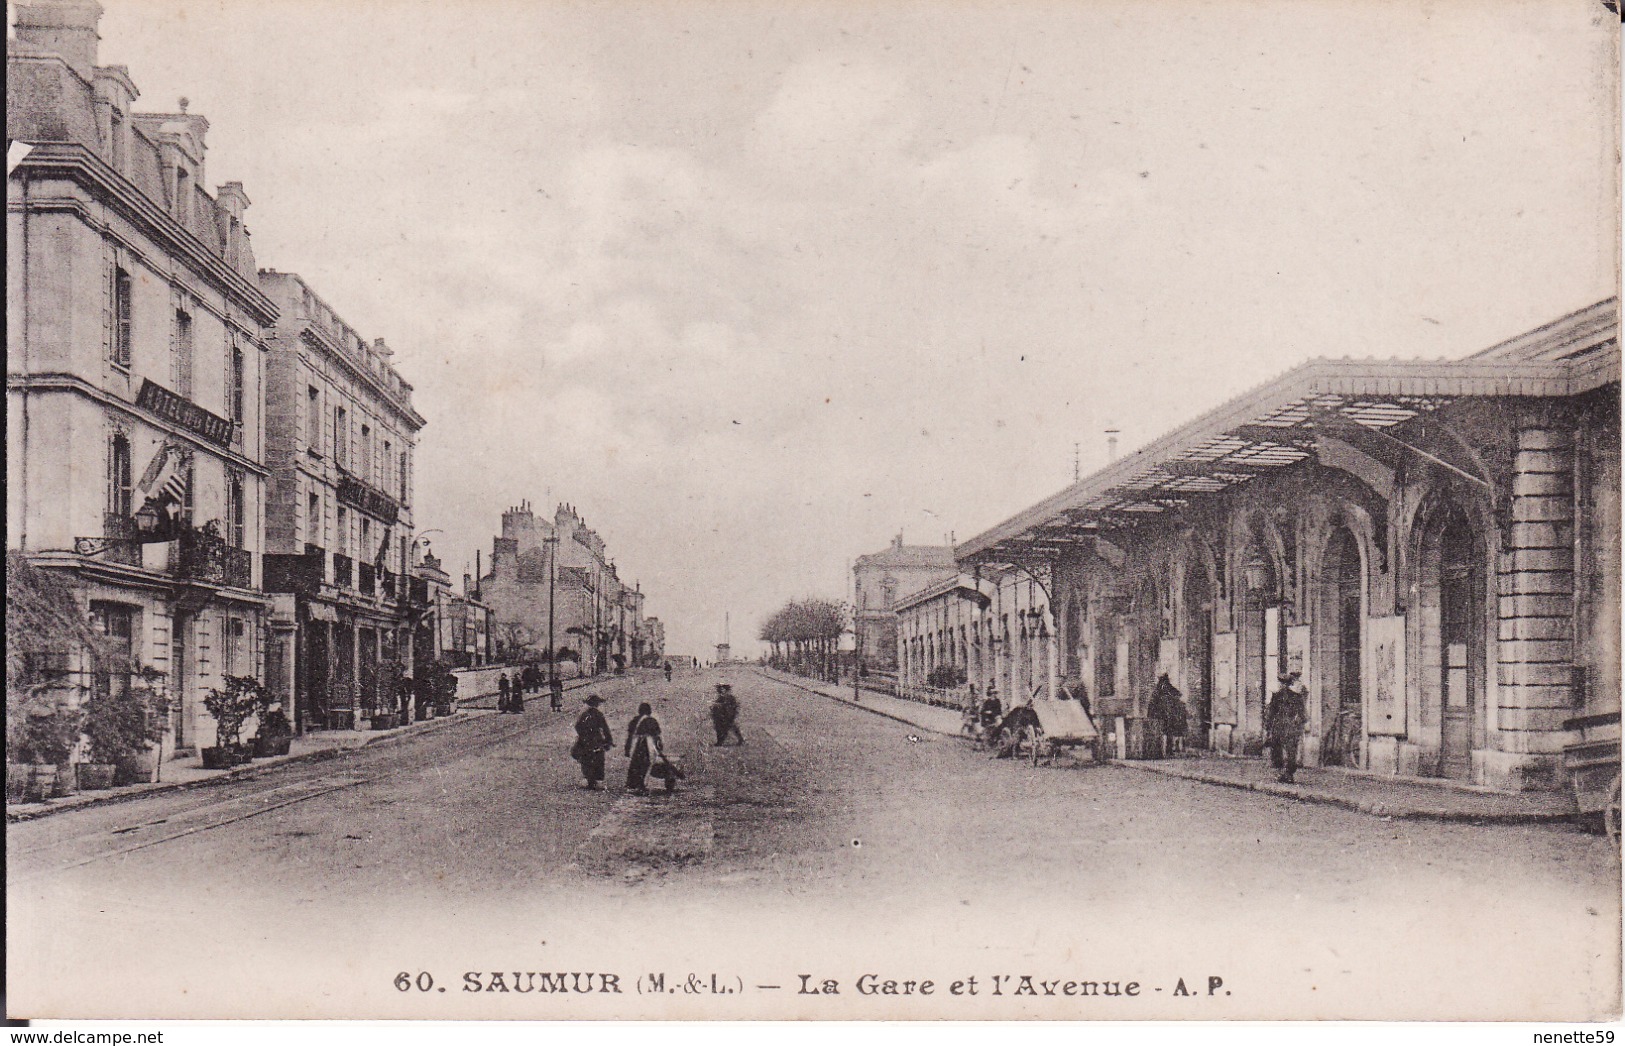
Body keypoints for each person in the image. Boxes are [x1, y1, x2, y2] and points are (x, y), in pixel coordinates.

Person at [1266, 671, 1308, 783]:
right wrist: (1299, 724)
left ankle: (1283, 773)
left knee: (1280, 750)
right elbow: (1303, 715)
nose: (1282, 686)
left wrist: (1268, 727)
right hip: (1289, 727)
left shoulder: (1277, 696)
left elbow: (1271, 714)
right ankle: (1287, 774)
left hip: (1280, 727)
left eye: (1283, 683)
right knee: (1289, 751)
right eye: (1282, 683)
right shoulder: (1296, 697)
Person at [572, 695, 613, 790]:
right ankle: (597, 780)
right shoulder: (599, 714)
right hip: (596, 740)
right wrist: (608, 740)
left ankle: (589, 779)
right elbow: (605, 728)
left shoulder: (584, 715)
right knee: (598, 759)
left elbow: (577, 726)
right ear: (597, 704)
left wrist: (583, 736)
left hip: (585, 741)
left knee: (586, 759)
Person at [624, 701, 663, 794]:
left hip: (637, 745)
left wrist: (627, 748)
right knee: (645, 764)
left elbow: (630, 736)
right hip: (648, 745)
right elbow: (657, 735)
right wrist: (659, 746)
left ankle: (633, 783)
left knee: (635, 763)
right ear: (649, 711)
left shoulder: (634, 721)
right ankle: (641, 784)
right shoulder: (652, 721)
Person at [1148, 673, 1187, 757]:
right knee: (1167, 732)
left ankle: (1162, 751)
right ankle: (1167, 750)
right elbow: (1178, 694)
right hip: (1165, 715)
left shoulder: (1157, 690)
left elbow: (1151, 705)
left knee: (1162, 733)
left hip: (1160, 715)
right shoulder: (1166, 688)